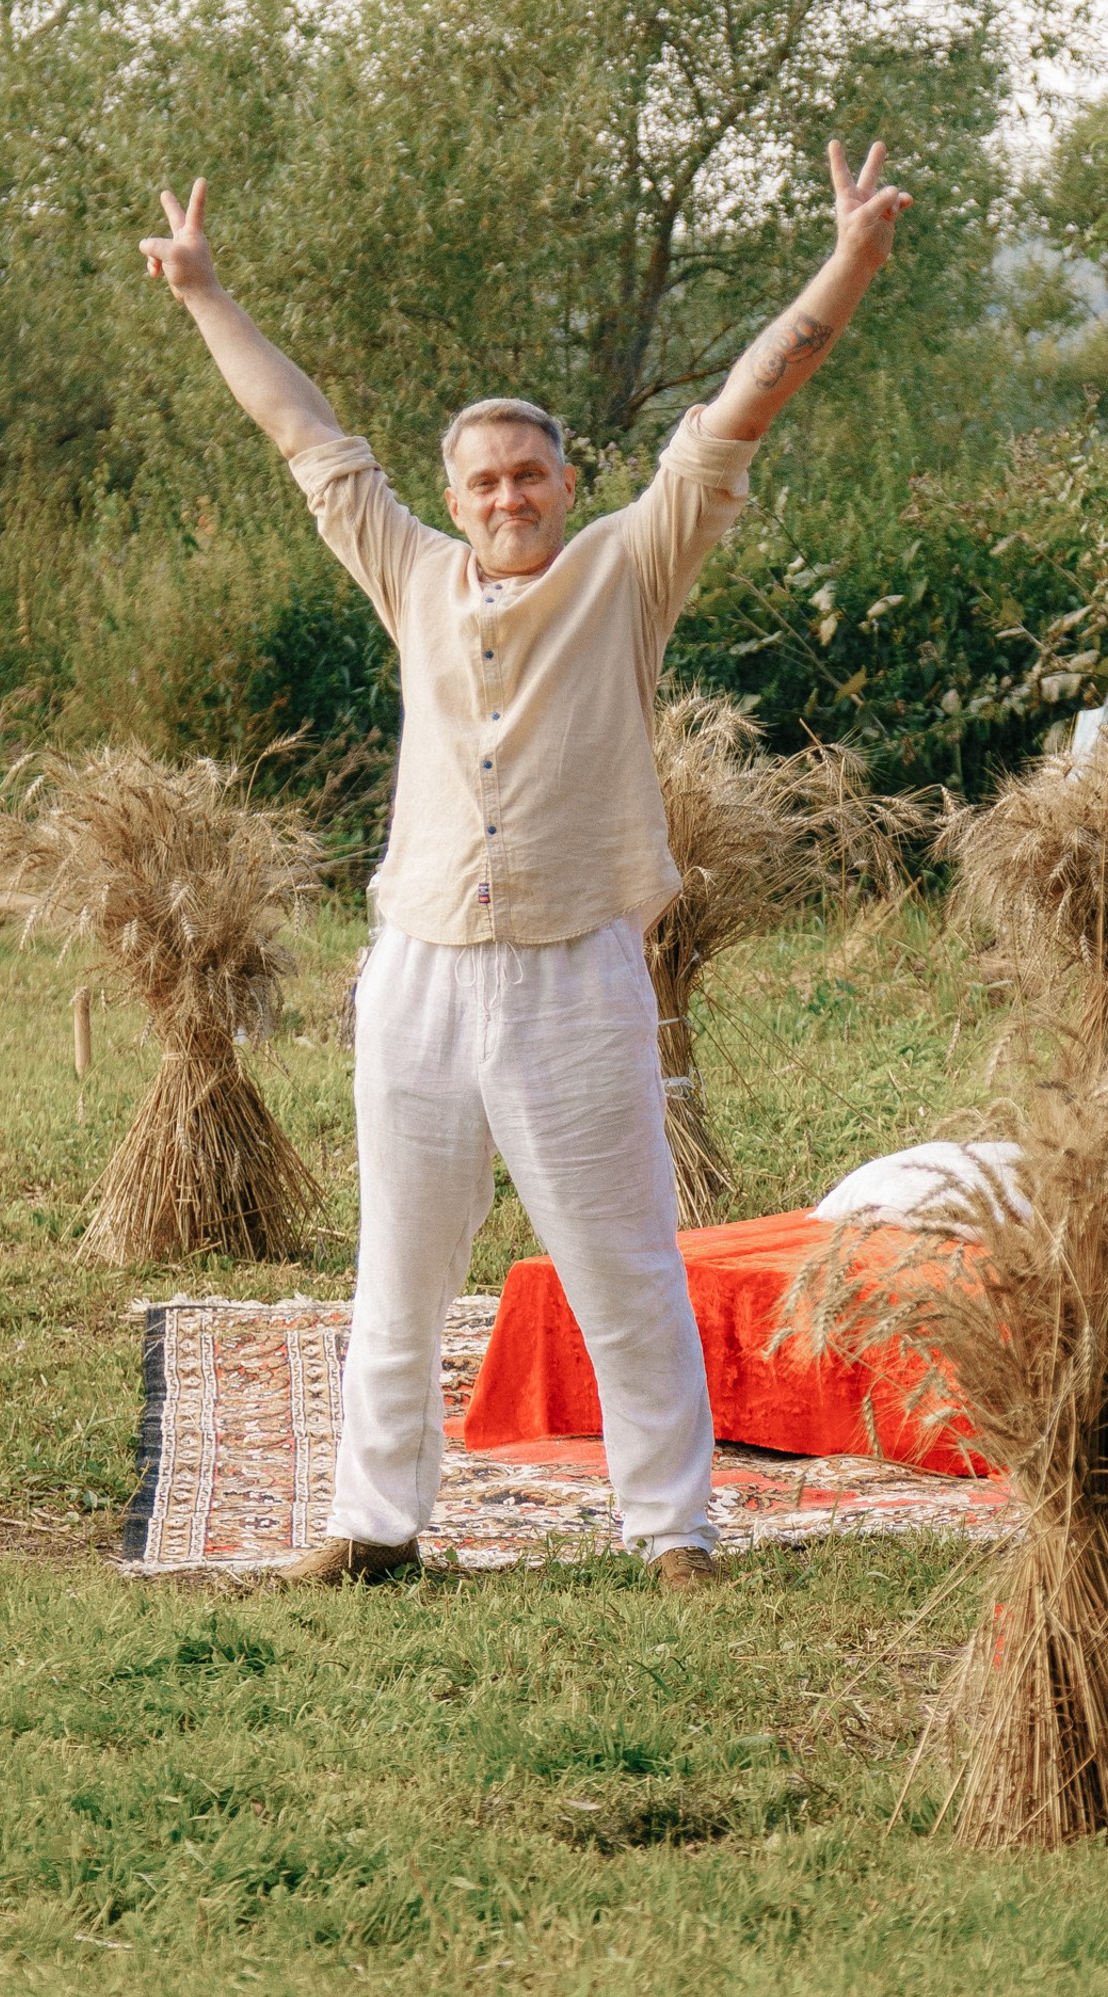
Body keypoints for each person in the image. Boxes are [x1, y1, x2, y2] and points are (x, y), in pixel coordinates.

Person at [138, 143, 911, 1591]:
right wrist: (202, 291)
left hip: (573, 973)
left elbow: (743, 408)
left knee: (622, 1269)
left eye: (528, 472)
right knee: (401, 1270)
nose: (506, 496)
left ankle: (672, 1532)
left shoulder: (629, 568)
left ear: (568, 481)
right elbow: (302, 434)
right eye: (482, 478)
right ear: (454, 492)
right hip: (419, 972)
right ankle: (376, 1535)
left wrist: (851, 261)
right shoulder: (412, 573)